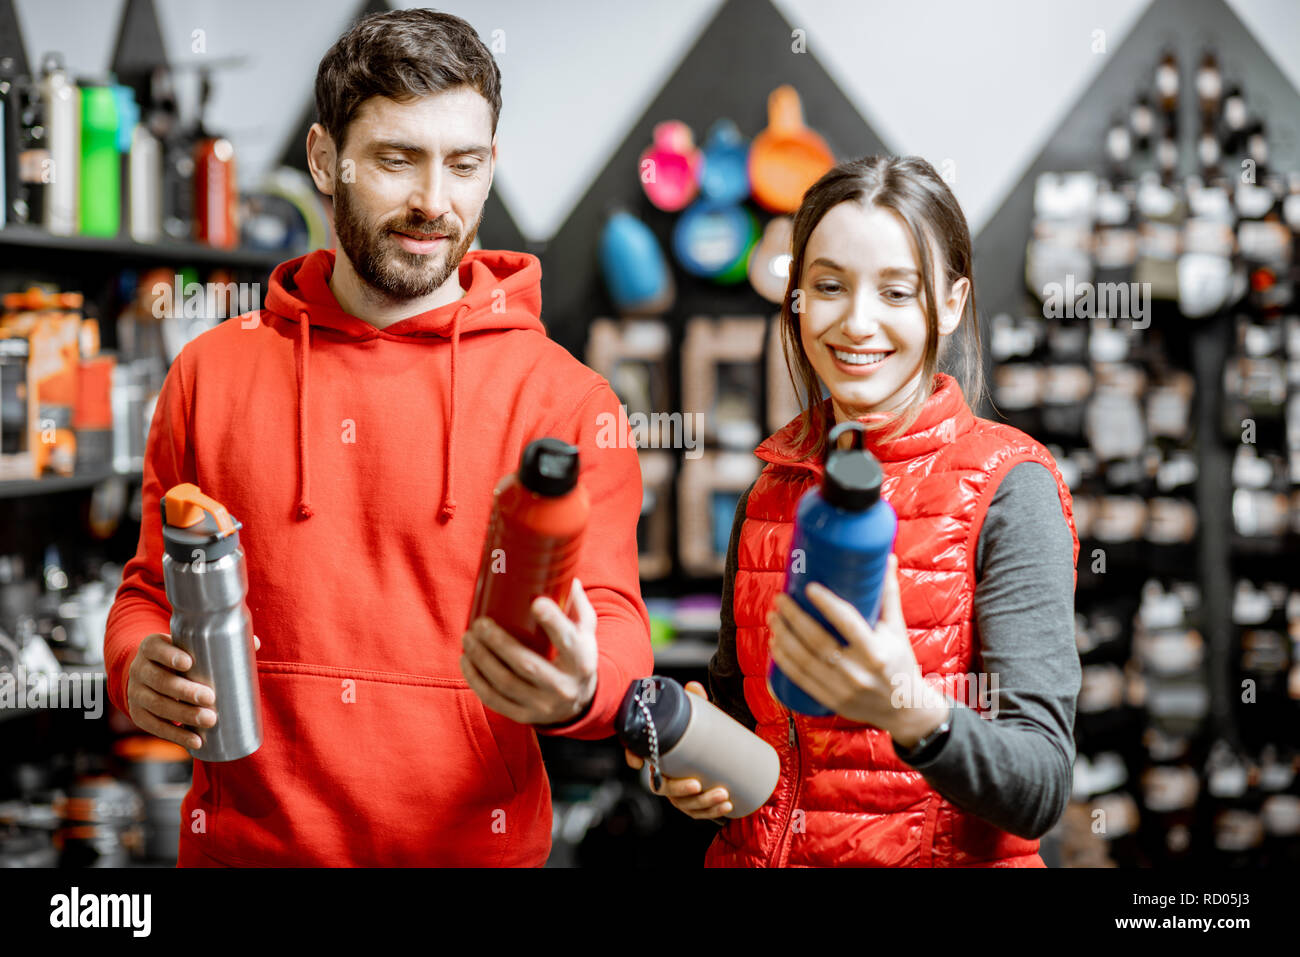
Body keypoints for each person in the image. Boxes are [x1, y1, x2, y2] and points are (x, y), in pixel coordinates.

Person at [104, 8, 652, 867]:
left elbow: (617, 624)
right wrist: (135, 661)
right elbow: (146, 591)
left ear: (489, 168)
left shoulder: (569, 400)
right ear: (325, 158)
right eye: (397, 160)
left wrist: (585, 681)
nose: (434, 201)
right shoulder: (207, 374)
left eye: (463, 165)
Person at [629, 155, 1081, 867]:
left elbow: (1041, 785)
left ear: (953, 301)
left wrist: (912, 711)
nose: (857, 321)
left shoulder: (1009, 486)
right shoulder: (767, 491)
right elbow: (745, 725)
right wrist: (694, 766)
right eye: (829, 286)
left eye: (897, 292)